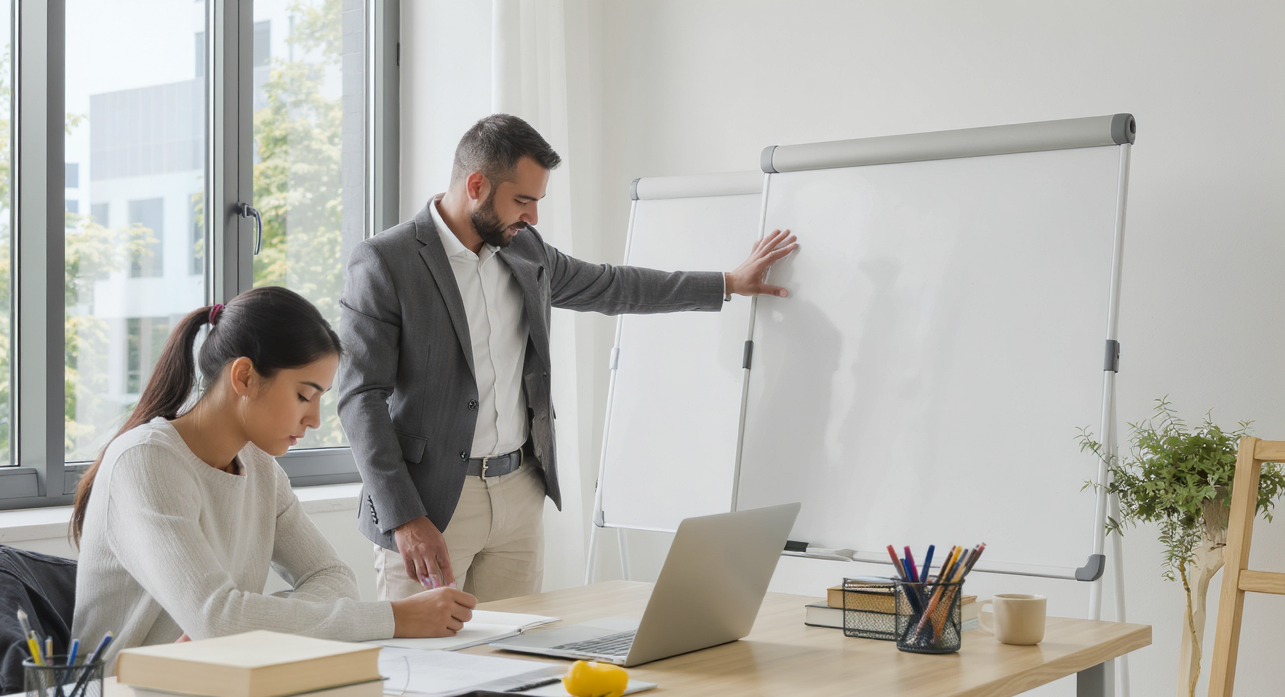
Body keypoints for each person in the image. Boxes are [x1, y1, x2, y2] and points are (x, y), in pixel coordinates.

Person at [339, 114, 798, 602]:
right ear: (475, 185)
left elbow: (613, 285)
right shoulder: (386, 261)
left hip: (518, 493)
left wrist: (727, 282)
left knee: (512, 665)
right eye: (523, 201)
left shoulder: (525, 250)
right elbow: (359, 397)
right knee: (425, 668)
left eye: (538, 202)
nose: (533, 217)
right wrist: (405, 518)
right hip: (429, 503)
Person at [71, 286, 474, 668]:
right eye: (304, 395)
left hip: (217, 686)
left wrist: (244, 622)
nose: (315, 419)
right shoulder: (145, 460)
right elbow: (218, 618)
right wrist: (392, 618)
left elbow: (333, 579)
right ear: (244, 376)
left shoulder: (260, 466)